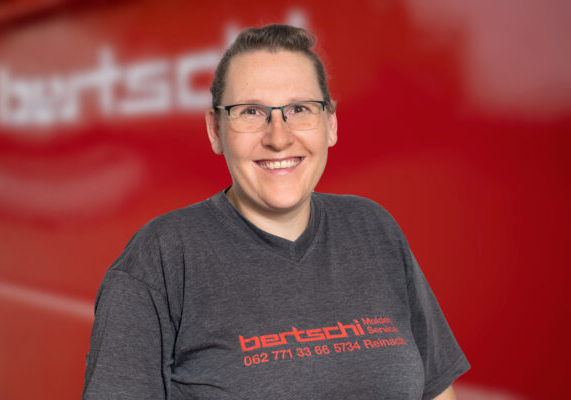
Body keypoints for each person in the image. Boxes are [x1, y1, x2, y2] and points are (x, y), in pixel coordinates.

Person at [82, 24, 469, 400]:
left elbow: (435, 391)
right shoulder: (162, 258)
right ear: (215, 130)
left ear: (330, 124)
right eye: (251, 112)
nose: (279, 137)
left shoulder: (373, 229)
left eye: (300, 109)